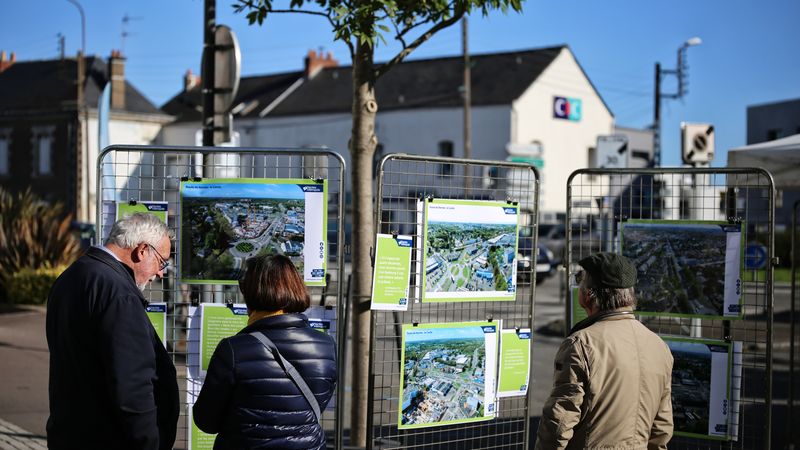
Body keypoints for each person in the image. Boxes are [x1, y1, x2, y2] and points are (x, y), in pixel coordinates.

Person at [46, 212, 179, 450]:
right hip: (108, 437)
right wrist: (149, 442)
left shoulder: (72, 275)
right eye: (162, 262)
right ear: (142, 250)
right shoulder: (120, 294)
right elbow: (132, 384)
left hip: (70, 431)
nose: (161, 273)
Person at [193, 254, 337, 450]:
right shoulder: (326, 345)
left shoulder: (233, 349)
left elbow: (206, 421)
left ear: (252, 292)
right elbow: (314, 406)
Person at [535, 252, 674, 450]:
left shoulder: (580, 344)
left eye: (580, 281)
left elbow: (560, 422)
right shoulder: (659, 346)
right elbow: (661, 427)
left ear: (589, 294)